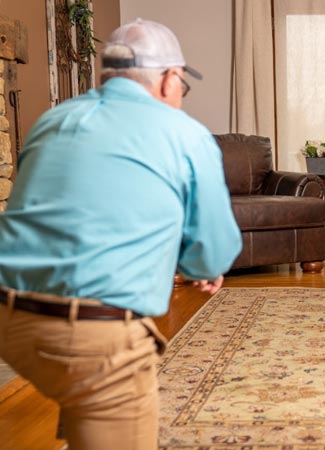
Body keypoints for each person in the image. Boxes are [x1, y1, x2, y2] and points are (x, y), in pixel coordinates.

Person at [0, 18, 242, 450]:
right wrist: (198, 265)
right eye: (182, 87)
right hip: (92, 335)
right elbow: (215, 249)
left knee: (83, 406)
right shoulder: (185, 135)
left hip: (9, 322)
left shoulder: (53, 120)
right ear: (170, 79)